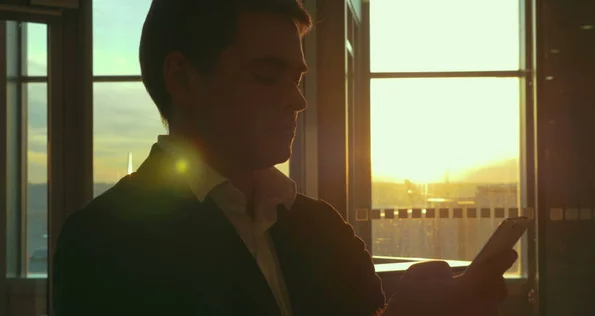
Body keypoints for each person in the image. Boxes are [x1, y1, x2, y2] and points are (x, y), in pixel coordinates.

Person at [53, 0, 517, 315]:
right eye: (267, 76)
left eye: (295, 78)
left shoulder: (323, 228)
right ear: (183, 78)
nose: (297, 101)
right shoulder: (103, 242)